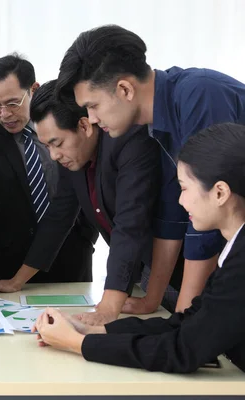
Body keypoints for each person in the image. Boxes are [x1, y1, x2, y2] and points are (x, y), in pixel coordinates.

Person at [56, 24, 245, 313]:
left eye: (93, 106)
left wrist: (182, 320)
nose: (91, 119)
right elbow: (173, 213)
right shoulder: (155, 123)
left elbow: (208, 217)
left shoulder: (199, 95)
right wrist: (152, 299)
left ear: (124, 89)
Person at [33, 123, 245, 373]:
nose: (180, 200)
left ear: (219, 192)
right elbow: (186, 323)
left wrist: (76, 343)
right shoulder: (235, 251)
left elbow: (182, 350)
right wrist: (92, 331)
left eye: (184, 188)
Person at [31, 80, 184, 324]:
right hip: (144, 271)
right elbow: (60, 214)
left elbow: (130, 222)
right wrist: (17, 280)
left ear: (84, 125)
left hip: (186, 267)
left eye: (57, 143)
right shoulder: (74, 157)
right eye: (46, 145)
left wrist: (108, 307)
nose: (53, 155)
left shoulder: (128, 139)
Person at [0, 54, 98, 297]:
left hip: (71, 250)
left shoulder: (67, 122)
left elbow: (71, 196)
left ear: (33, 89)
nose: (3, 114)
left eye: (12, 103)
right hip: (10, 258)